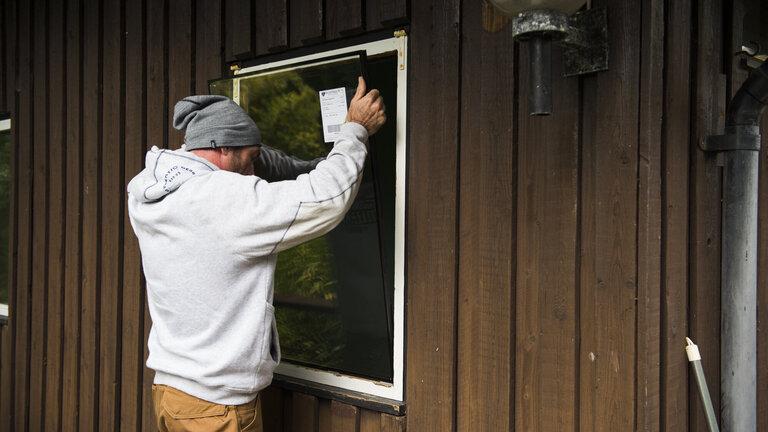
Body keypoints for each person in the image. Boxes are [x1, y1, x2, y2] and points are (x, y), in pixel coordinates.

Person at [127, 77, 385, 432]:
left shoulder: (155, 188)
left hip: (173, 392)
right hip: (215, 407)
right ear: (221, 147)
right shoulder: (219, 201)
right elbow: (327, 198)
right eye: (248, 161)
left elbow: (261, 167)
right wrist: (354, 131)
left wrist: (300, 162)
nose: (253, 172)